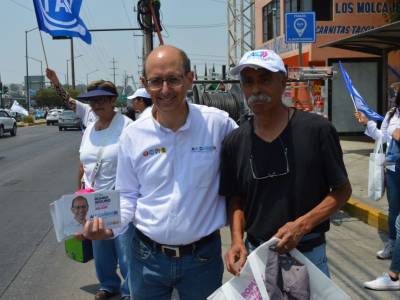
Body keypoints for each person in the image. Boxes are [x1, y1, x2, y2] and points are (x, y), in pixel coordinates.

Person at [82, 45, 237, 300]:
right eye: (156, 82)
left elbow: (246, 171)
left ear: (189, 78)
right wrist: (109, 229)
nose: (165, 90)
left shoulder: (218, 125)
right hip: (146, 259)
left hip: (203, 259)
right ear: (145, 83)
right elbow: (128, 196)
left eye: (173, 79)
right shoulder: (133, 134)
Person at [220, 49, 352, 278]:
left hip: (308, 256)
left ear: (283, 81)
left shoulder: (317, 130)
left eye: (264, 79)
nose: (256, 89)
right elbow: (236, 198)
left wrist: (302, 225)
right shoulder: (235, 141)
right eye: (248, 82)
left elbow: (342, 191)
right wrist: (236, 240)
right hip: (258, 254)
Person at [76, 81, 134, 300]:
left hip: (121, 198)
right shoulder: (89, 129)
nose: (96, 104)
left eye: (102, 99)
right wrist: (79, 195)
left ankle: (129, 290)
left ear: (113, 100)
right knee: (100, 247)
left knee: (125, 249)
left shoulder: (128, 127)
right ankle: (109, 284)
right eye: (92, 100)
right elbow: (83, 165)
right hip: (94, 199)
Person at [357, 92, 400, 290]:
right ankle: (392, 245)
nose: (393, 96)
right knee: (395, 212)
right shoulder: (392, 114)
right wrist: (367, 123)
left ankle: (394, 275)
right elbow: (382, 137)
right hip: (393, 169)